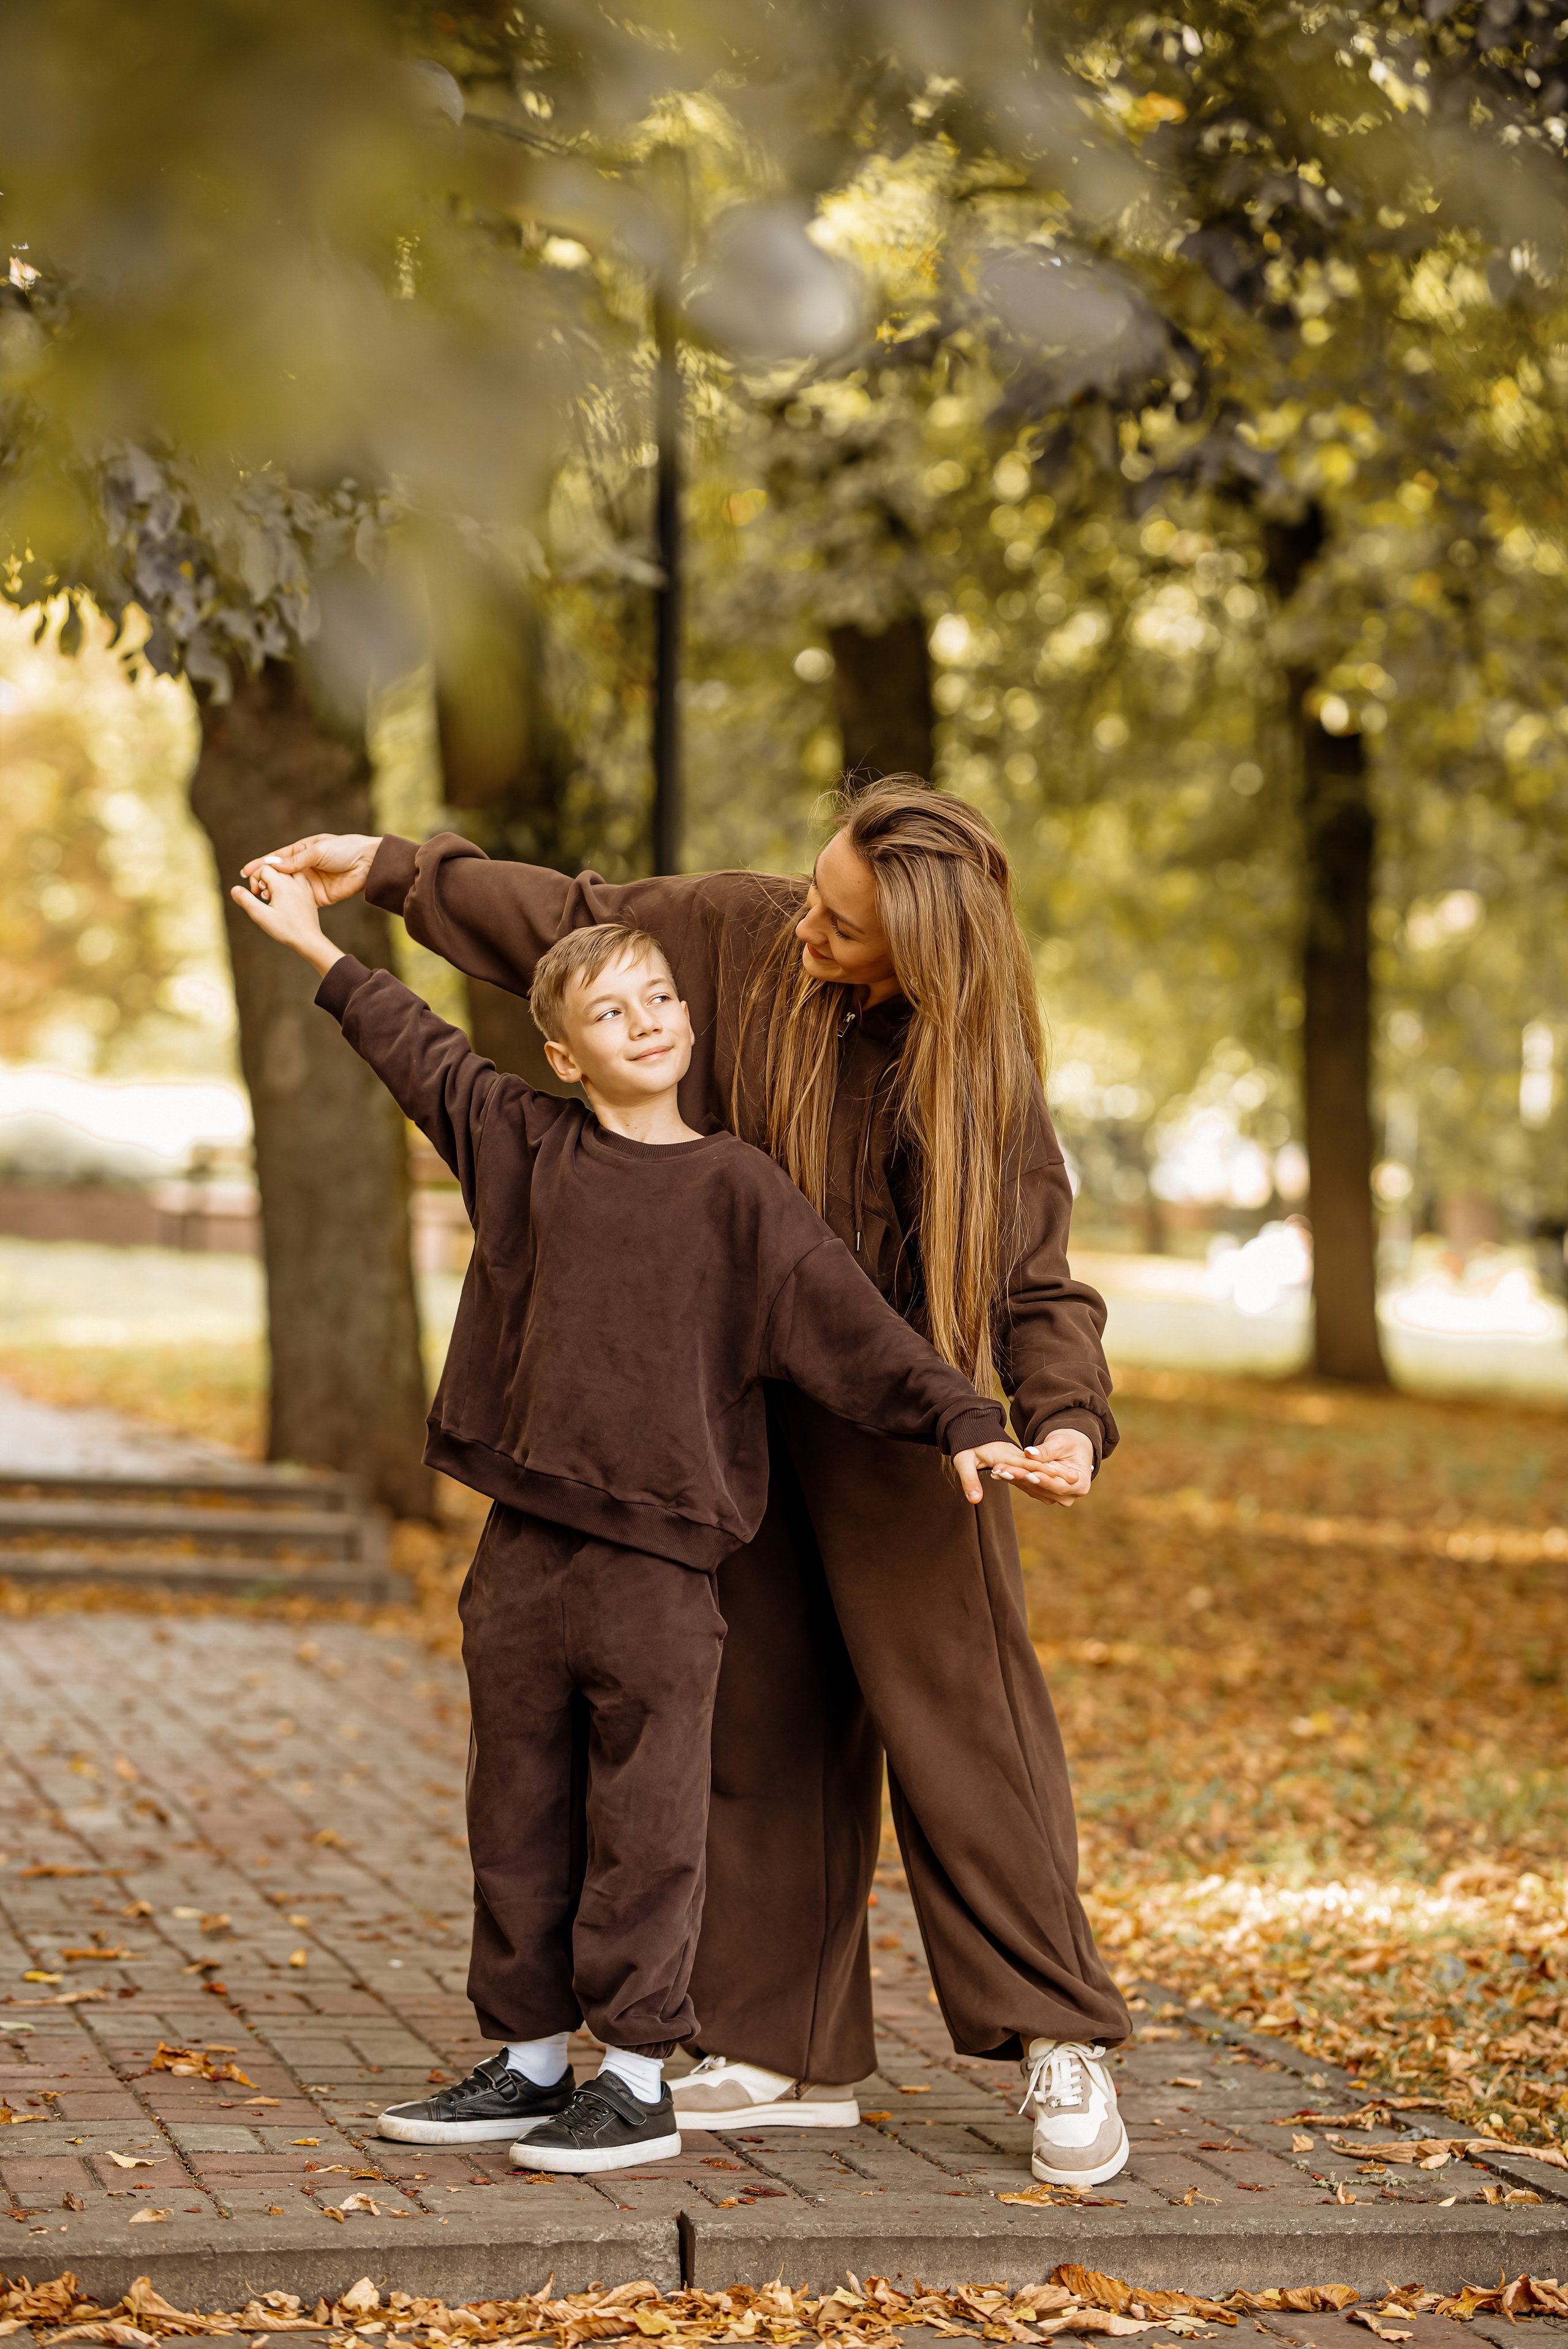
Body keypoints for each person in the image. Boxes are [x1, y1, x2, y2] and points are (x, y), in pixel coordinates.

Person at [244, 777, 1134, 2190]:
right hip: (719, 1414)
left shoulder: (976, 1068)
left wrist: (1065, 1418)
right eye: (818, 891)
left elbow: (1035, 1276)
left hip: (902, 1414)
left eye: (845, 929)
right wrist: (399, 872)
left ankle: (1053, 2036)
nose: (809, 932)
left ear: (925, 953)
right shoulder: (741, 928)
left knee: (964, 1725)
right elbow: (572, 922)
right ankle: (777, 2045)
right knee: (757, 1723)